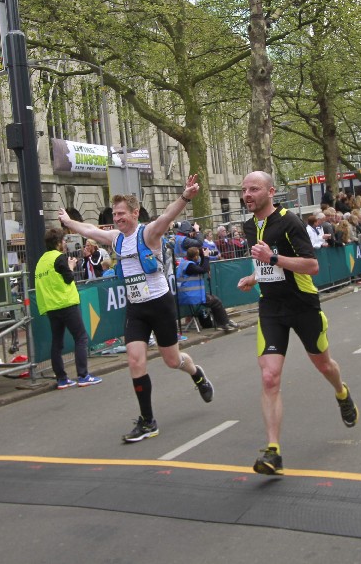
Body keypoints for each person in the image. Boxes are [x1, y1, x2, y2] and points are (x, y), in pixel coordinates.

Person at [57, 175, 213, 443]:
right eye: (115, 214)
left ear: (134, 213)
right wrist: (68, 222)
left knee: (172, 360)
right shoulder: (116, 238)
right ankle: (148, 421)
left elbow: (167, 216)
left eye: (121, 214)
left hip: (160, 304)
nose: (117, 218)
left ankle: (197, 374)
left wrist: (185, 197)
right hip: (136, 308)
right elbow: (90, 230)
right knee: (134, 360)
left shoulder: (148, 233)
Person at [236, 171, 357, 476]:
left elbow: (312, 266)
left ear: (270, 192)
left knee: (324, 365)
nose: (247, 194)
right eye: (244, 190)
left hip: (302, 305)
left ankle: (341, 392)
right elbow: (265, 263)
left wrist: (273, 259)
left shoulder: (290, 221)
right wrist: (254, 277)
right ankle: (273, 451)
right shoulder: (249, 226)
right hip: (271, 307)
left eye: (254, 189)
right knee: (269, 377)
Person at [35, 227, 102, 390]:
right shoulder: (59, 258)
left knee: (57, 342)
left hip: (51, 307)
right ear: (58, 243)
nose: (65, 243)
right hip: (66, 303)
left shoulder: (41, 261)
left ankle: (62, 379)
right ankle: (83, 375)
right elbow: (68, 278)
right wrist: (71, 265)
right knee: (81, 337)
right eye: (64, 241)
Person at [176, 246, 239, 332]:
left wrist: (203, 256)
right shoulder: (189, 266)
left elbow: (201, 267)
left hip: (191, 294)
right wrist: (206, 257)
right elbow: (203, 270)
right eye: (198, 255)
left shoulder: (185, 262)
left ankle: (224, 322)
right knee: (216, 301)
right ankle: (224, 323)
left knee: (214, 299)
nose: (199, 257)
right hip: (191, 296)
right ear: (195, 256)